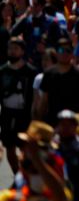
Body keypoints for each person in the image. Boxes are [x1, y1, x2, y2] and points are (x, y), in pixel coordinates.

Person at [0, 37, 37, 173]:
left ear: (22, 51)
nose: (12, 52)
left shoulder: (31, 72)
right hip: (6, 115)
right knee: (9, 147)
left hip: (24, 115)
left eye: (16, 49)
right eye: (10, 48)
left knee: (25, 147)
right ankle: (16, 174)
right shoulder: (3, 71)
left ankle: (25, 174)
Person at [38, 42, 79, 126]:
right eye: (61, 50)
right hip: (53, 121)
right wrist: (38, 120)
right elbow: (44, 100)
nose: (64, 53)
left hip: (74, 122)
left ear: (72, 54)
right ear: (57, 53)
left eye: (68, 51)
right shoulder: (48, 73)